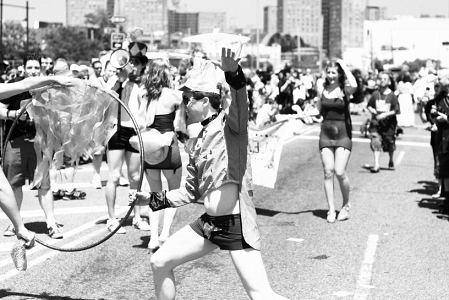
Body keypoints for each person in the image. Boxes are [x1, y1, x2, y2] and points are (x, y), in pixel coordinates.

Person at [134, 48, 289, 300]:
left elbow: (241, 101)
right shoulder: (198, 137)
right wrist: (151, 200)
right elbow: (190, 191)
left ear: (205, 101)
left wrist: (233, 74)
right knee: (159, 261)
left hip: (235, 226)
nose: (185, 103)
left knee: (261, 295)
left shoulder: (232, 127)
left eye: (190, 99)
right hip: (208, 225)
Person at [0, 53, 67, 239]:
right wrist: (13, 114)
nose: (33, 71)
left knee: (44, 184)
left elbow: (60, 114)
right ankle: (15, 223)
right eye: (29, 68)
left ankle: (51, 223)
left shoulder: (49, 89)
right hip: (15, 140)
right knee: (14, 184)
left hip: (41, 142)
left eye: (36, 68)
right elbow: (0, 109)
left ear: (41, 68)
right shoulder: (14, 87)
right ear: (23, 69)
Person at [136, 58, 182, 253]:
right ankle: (165, 233)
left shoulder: (142, 94)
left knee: (156, 194)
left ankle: (153, 237)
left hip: (150, 147)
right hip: (169, 145)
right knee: (173, 193)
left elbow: (140, 121)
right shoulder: (175, 96)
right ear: (166, 74)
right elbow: (179, 126)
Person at [104, 42, 151, 233]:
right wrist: (119, 79)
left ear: (142, 65)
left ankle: (137, 217)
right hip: (117, 130)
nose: (134, 65)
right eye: (131, 61)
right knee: (114, 176)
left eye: (138, 62)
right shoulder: (117, 79)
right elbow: (106, 95)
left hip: (136, 132)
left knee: (135, 177)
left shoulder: (146, 83)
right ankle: (111, 218)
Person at [316, 59, 357, 223]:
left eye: (334, 72)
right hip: (325, 134)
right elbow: (318, 111)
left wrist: (344, 65)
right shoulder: (322, 89)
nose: (331, 75)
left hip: (343, 134)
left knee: (340, 172)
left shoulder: (345, 90)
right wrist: (297, 113)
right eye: (329, 72)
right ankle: (331, 210)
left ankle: (346, 205)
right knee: (328, 171)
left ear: (339, 74)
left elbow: (354, 84)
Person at [367, 72, 400, 173]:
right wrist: (371, 110)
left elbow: (396, 110)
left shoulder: (392, 96)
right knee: (376, 142)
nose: (382, 80)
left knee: (390, 144)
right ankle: (376, 164)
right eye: (380, 78)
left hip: (389, 125)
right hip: (376, 125)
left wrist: (385, 114)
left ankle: (390, 160)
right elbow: (369, 105)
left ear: (389, 82)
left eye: (385, 79)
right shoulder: (375, 94)